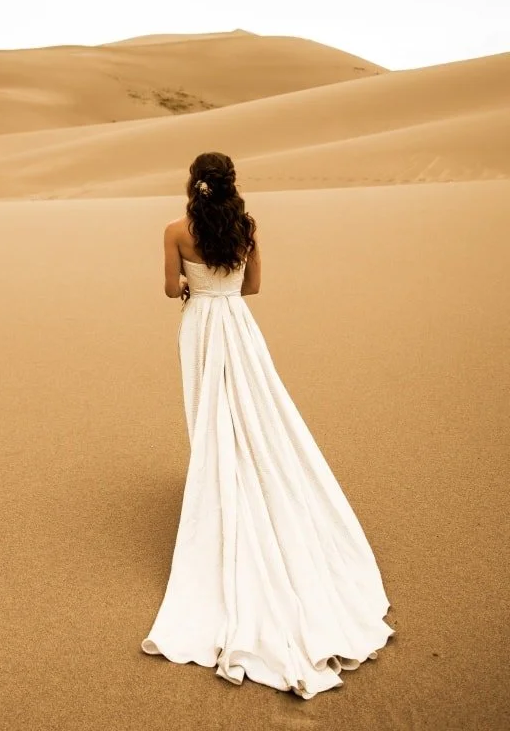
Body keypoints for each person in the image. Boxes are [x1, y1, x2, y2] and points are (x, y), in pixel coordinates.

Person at [141, 152, 394, 699]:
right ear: (231, 186)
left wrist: (193, 289)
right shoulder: (247, 228)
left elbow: (168, 290)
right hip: (239, 324)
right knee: (256, 406)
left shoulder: (173, 231)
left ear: (193, 185)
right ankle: (248, 474)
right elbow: (253, 288)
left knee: (209, 411)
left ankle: (223, 482)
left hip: (201, 327)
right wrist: (221, 287)